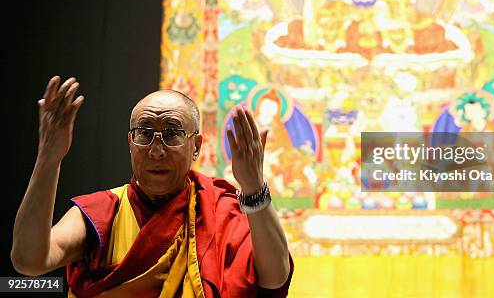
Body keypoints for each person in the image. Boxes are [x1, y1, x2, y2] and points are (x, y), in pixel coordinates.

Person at [11, 76, 293, 297]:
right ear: (130, 143)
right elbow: (29, 261)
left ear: (195, 147)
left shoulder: (220, 210)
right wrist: (49, 157)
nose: (157, 150)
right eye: (145, 134)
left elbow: (274, 277)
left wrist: (254, 186)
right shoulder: (105, 211)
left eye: (171, 134)